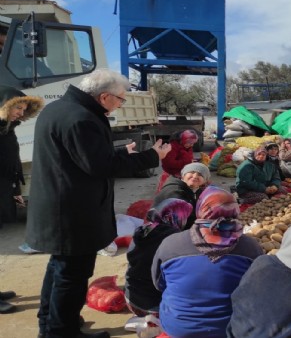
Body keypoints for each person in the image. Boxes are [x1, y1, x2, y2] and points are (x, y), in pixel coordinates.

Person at [25, 69, 171, 338]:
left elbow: (79, 157)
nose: (120, 104)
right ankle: (61, 332)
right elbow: (100, 166)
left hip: (61, 205)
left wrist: (116, 152)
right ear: (104, 96)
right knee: (72, 274)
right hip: (72, 211)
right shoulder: (82, 119)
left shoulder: (60, 109)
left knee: (59, 268)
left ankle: (52, 322)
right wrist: (152, 156)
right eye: (120, 99)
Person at [152, 186, 264, 338]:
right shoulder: (249, 246)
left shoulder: (171, 243)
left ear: (200, 209)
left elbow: (159, 283)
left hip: (179, 328)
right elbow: (256, 290)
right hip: (231, 328)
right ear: (235, 210)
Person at [0, 85, 43, 313]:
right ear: (4, 104)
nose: (20, 112)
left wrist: (15, 187)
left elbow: (11, 160)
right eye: (18, 107)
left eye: (24, 108)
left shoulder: (7, 127)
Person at [123, 199, 192, 331]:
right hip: (152, 304)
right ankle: (153, 324)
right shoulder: (174, 239)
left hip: (131, 297)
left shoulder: (143, 230)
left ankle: (144, 319)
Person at [153, 162, 211, 229]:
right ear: (183, 175)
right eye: (192, 172)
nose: (195, 176)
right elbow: (186, 219)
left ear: (204, 181)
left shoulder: (196, 189)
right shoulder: (174, 191)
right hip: (163, 230)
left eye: (200, 174)